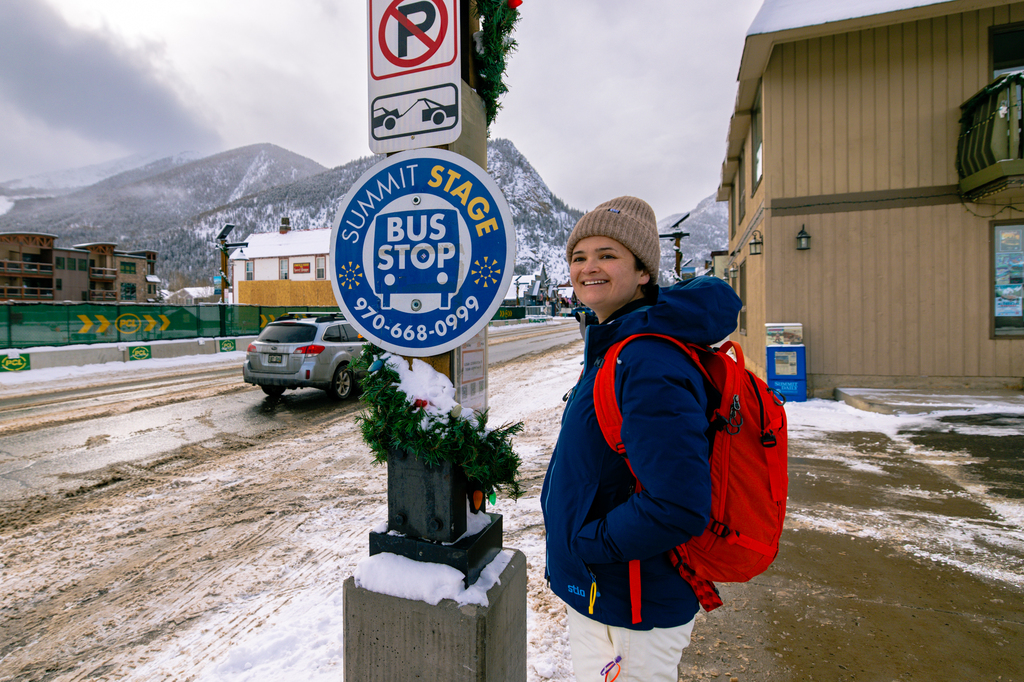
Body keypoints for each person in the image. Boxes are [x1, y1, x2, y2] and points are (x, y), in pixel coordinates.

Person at [540, 196, 742, 681]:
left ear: (644, 272)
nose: (588, 267)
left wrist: (586, 544)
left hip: (630, 601)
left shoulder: (648, 360)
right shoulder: (617, 345)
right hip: (609, 592)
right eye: (578, 256)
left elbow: (677, 504)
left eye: (607, 255)